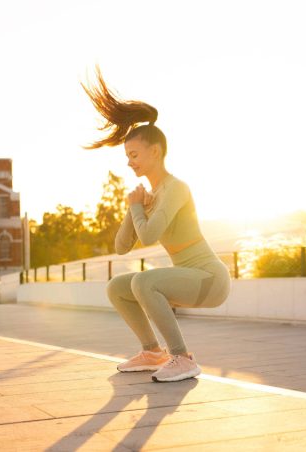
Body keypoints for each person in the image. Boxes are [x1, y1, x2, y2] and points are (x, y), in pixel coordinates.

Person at [82, 68, 231, 382]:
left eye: (134, 154)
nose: (129, 161)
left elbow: (148, 235)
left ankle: (182, 358)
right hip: (190, 278)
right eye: (127, 155)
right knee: (117, 287)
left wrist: (138, 208)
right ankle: (152, 352)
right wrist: (131, 208)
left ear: (156, 151)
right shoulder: (151, 196)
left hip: (210, 279)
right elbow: (122, 248)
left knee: (144, 282)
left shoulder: (175, 189)